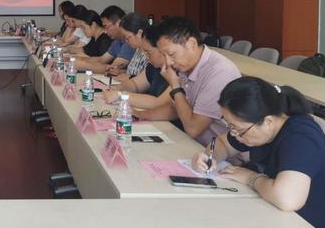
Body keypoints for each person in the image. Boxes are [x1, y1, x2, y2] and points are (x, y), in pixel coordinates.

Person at [192, 77, 325, 228]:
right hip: (285, 218)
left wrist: (250, 178)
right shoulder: (256, 126)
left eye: (238, 129)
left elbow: (287, 199)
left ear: (268, 121)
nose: (234, 134)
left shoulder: (301, 138)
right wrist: (209, 156)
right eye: (230, 126)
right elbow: (222, 143)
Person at [138, 16, 240, 145]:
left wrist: (175, 86)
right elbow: (177, 109)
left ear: (191, 44)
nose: (168, 62)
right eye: (164, 55)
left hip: (220, 153)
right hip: (197, 145)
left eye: (171, 54)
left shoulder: (219, 72)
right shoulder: (187, 65)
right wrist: (140, 115)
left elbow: (193, 129)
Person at [103, 23, 170, 108]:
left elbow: (158, 103)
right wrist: (118, 88)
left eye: (149, 52)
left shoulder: (176, 72)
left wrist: (120, 95)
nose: (146, 56)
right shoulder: (153, 66)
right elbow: (135, 84)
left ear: (163, 49)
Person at [75, 5, 134, 73]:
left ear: (118, 23)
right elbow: (101, 60)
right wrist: (79, 60)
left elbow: (113, 69)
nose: (105, 31)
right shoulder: (117, 41)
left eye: (106, 26)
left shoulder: (129, 42)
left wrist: (85, 66)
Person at [108, 12, 149, 80]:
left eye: (127, 38)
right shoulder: (138, 49)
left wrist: (129, 77)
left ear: (139, 33)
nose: (126, 41)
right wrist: (120, 72)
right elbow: (135, 72)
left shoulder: (149, 53)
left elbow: (148, 79)